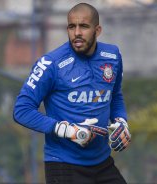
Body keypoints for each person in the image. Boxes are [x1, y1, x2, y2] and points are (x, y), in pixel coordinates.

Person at [13, 2, 131, 184]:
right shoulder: (50, 64)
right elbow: (21, 110)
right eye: (71, 26)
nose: (77, 33)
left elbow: (115, 96)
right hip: (64, 165)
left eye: (83, 26)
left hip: (102, 163)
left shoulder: (113, 55)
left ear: (97, 30)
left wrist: (121, 123)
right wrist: (67, 130)